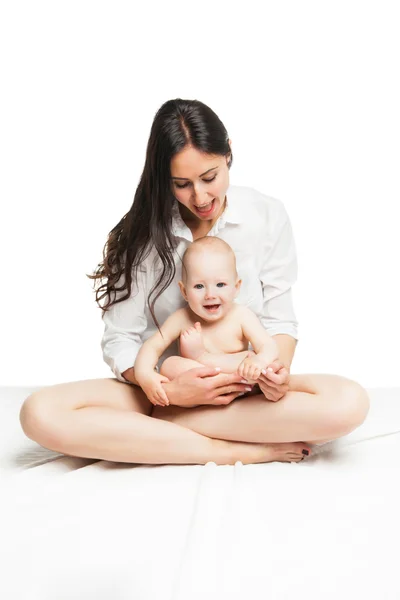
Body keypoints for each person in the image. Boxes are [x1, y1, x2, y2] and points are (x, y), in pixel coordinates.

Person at [19, 98, 370, 467]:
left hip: (240, 390)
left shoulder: (266, 215)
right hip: (158, 393)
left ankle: (165, 435)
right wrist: (171, 391)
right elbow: (120, 339)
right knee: (39, 413)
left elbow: (280, 321)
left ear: (228, 153)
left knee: (348, 402)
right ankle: (229, 449)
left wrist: (275, 375)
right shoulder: (142, 233)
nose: (200, 197)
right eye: (181, 184)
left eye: (209, 177)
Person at [134, 236, 280, 409]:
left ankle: (220, 377)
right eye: (199, 287)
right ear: (184, 291)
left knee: (250, 360)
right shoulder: (182, 318)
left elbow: (269, 346)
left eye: (220, 284)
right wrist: (144, 374)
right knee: (169, 365)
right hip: (196, 391)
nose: (210, 294)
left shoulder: (241, 315)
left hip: (238, 383)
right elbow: (152, 346)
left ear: (236, 287)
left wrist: (259, 362)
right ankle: (212, 378)